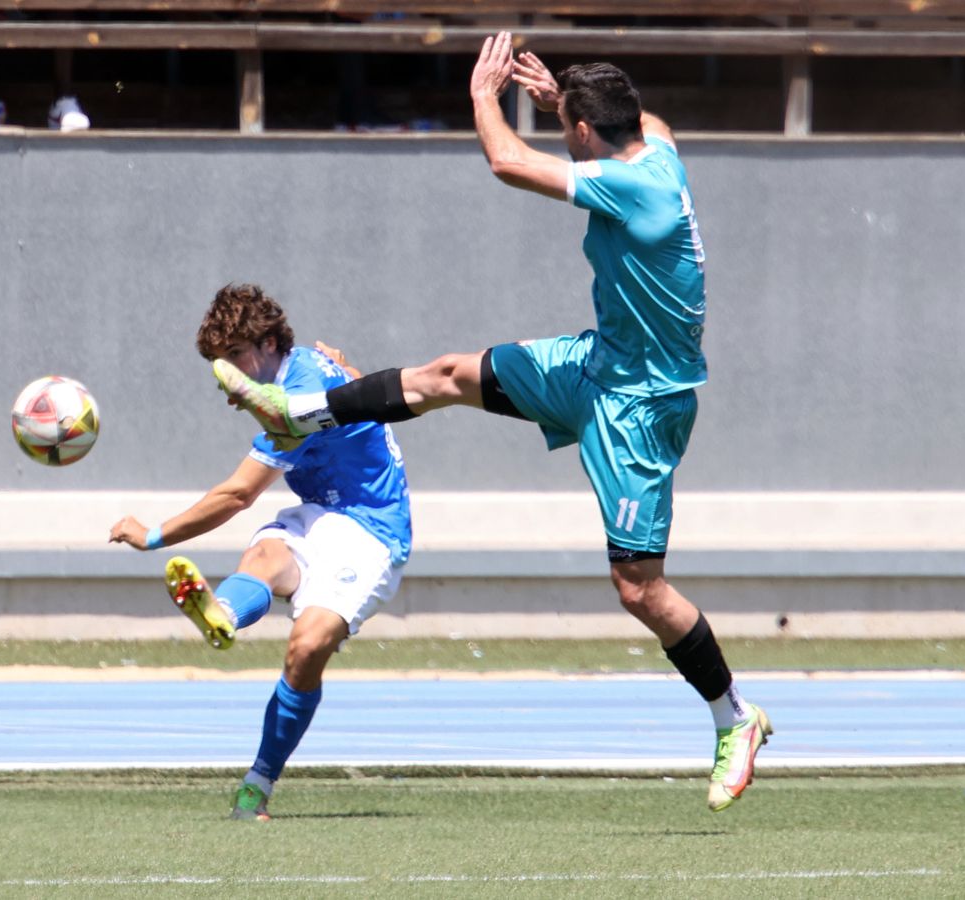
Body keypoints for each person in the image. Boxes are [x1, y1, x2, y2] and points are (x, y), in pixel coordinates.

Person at [212, 32, 771, 813]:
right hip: (596, 365)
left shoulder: (630, 186)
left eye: (568, 126)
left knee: (639, 589)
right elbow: (647, 120)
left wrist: (484, 97)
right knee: (448, 374)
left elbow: (508, 161)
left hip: (640, 408)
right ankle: (302, 412)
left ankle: (734, 717)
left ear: (585, 133)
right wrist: (561, 100)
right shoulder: (655, 149)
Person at [109, 283, 411, 822]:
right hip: (317, 512)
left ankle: (258, 783)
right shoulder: (308, 368)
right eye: (221, 369)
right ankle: (222, 613)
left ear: (270, 343)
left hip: (371, 530)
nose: (231, 386)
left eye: (236, 360)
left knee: (307, 647)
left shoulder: (296, 400)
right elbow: (357, 395)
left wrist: (152, 536)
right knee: (267, 554)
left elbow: (238, 495)